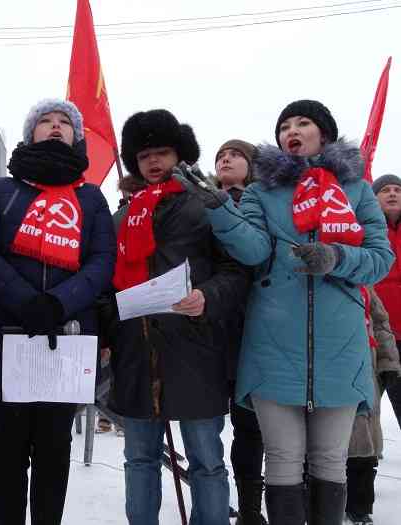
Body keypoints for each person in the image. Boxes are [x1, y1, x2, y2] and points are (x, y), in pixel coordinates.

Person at [177, 99, 394, 525]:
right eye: (284, 126)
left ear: (324, 133)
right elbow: (254, 250)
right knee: (282, 459)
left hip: (340, 346)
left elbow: (379, 259)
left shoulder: (358, 190)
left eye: (303, 122)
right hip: (273, 345)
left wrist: (335, 257)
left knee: (330, 463)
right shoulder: (261, 191)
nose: (291, 130)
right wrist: (220, 209)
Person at [0, 98, 116, 525]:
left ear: (77, 136)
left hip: (67, 337)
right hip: (8, 332)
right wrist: (26, 300)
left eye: (64, 122)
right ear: (30, 133)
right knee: (10, 451)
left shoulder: (90, 198)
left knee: (54, 451)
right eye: (45, 121)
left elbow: (102, 261)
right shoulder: (2, 190)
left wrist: (58, 302)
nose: (55, 127)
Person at [107, 109, 251, 525]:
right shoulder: (122, 214)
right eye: (145, 154)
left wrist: (207, 296)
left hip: (195, 349)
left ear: (180, 154)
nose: (153, 162)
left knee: (206, 459)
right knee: (139, 460)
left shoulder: (205, 205)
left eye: (163, 152)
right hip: (136, 352)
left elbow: (237, 271)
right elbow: (105, 285)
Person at [214, 139, 267, 525]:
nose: (226, 159)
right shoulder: (200, 204)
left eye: (235, 154)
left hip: (258, 330)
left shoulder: (265, 205)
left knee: (252, 427)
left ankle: (251, 510)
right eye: (220, 155)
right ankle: (214, 498)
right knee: (207, 428)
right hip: (212, 330)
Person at [345, 286, 400, 525]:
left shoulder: (363, 284)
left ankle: (359, 505)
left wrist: (388, 360)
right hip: (329, 367)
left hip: (364, 364)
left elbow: (380, 321)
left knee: (363, 439)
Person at [371, 174, 401, 429]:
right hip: (372, 333)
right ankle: (364, 456)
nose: (392, 193)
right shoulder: (366, 230)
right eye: (385, 190)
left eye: (397, 190)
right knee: (366, 405)